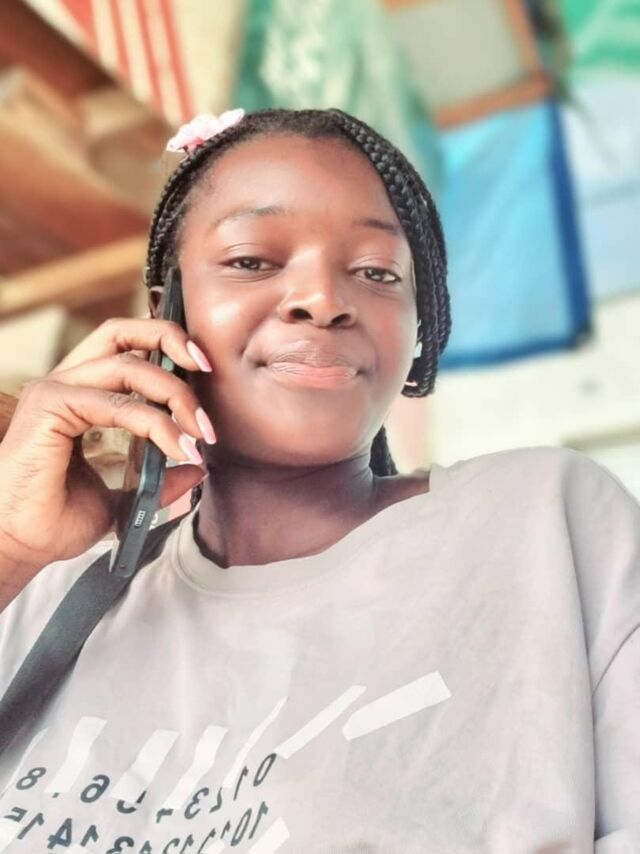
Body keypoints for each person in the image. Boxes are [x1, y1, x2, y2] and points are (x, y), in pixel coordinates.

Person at [0, 107, 637, 853]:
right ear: (164, 311)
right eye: (252, 260)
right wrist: (11, 550)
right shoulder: (44, 590)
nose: (325, 300)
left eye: (376, 272)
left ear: (418, 326)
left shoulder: (542, 522)